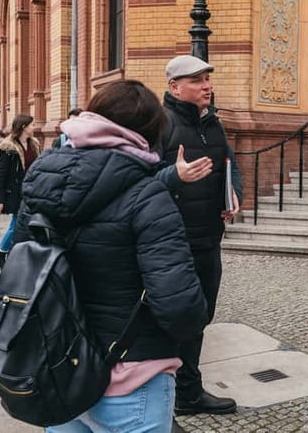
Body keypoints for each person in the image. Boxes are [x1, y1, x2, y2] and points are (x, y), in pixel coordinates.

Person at [12, 80, 209, 433]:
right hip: (131, 376)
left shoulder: (41, 181)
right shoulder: (148, 195)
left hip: (59, 370)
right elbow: (179, 306)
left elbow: (22, 269)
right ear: (150, 133)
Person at [157, 54, 242, 416]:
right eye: (197, 80)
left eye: (207, 78)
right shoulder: (160, 124)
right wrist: (174, 176)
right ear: (175, 87)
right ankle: (164, 393)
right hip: (172, 243)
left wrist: (234, 192)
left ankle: (188, 393)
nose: (207, 85)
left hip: (209, 239)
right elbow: (137, 183)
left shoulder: (213, 124)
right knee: (173, 319)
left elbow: (229, 166)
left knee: (200, 317)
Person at [0, 114, 40, 268]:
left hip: (30, 191)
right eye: (32, 125)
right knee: (16, 224)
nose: (35, 127)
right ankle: (0, 253)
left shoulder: (33, 144)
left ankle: (11, 253)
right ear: (24, 127)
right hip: (15, 193)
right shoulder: (9, 148)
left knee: (22, 224)